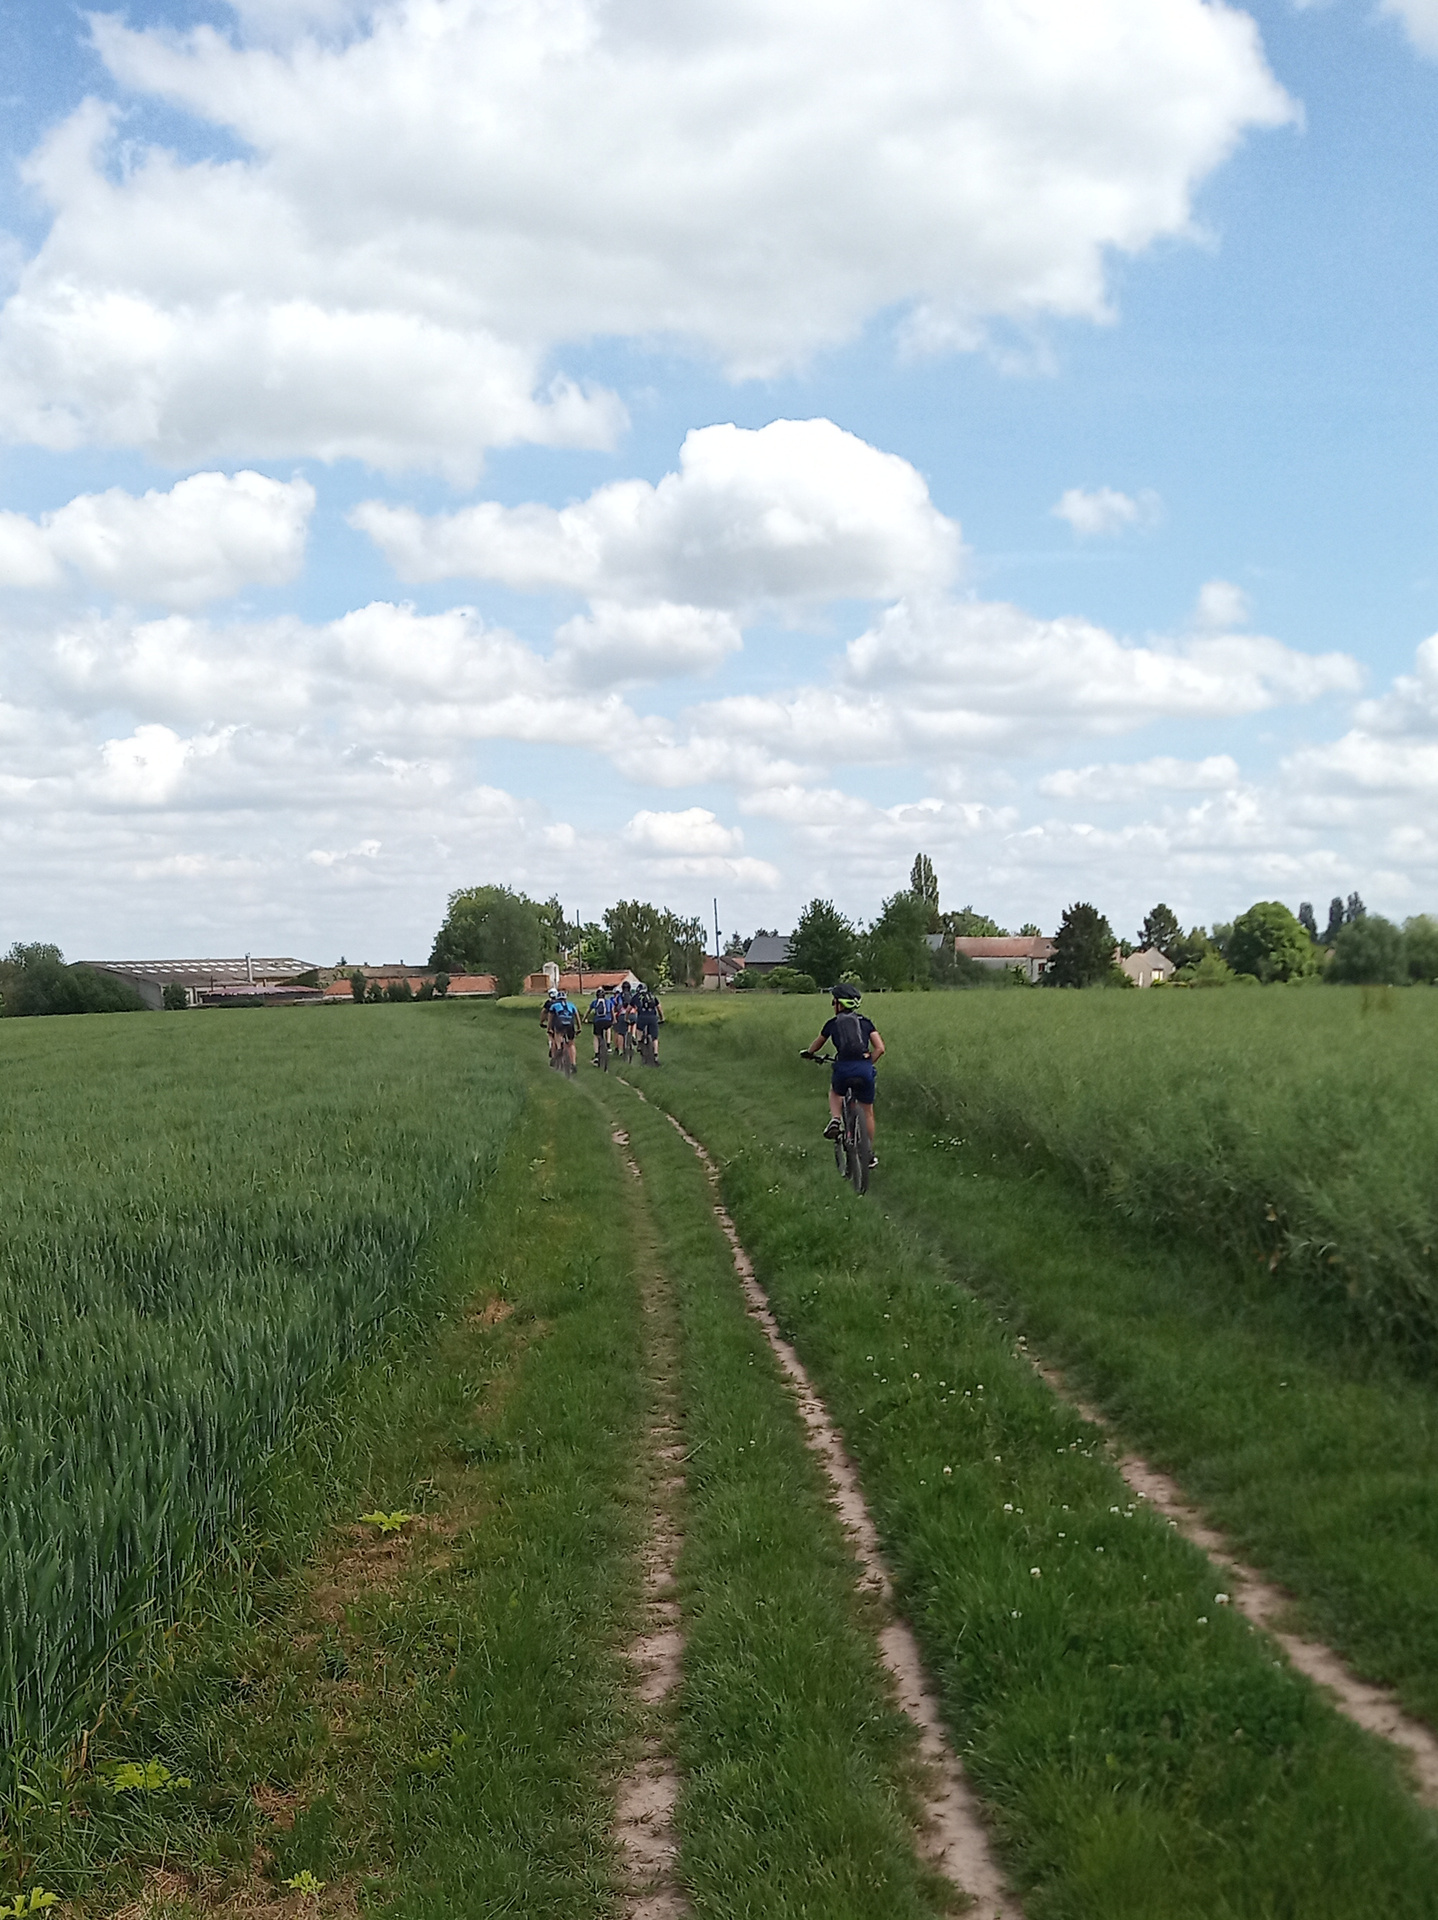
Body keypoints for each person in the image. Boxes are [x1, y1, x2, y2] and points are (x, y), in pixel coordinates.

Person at [800, 984, 884, 1168]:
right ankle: (868, 1152)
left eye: (834, 1002)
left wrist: (809, 1053)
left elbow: (817, 1045)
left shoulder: (832, 1024)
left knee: (835, 1092)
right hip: (864, 1069)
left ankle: (836, 1119)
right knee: (868, 1111)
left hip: (843, 1069)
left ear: (839, 1004)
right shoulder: (865, 1022)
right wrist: (868, 1063)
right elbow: (880, 1048)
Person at [541, 985, 579, 1072]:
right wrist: (579, 1028)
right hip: (570, 1025)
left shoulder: (553, 1005)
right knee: (571, 1044)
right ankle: (573, 1064)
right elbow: (577, 1017)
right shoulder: (571, 1005)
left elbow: (550, 1019)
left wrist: (548, 1028)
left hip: (558, 1025)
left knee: (557, 1039)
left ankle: (558, 1050)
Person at [633, 980, 664, 1063]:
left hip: (642, 1017)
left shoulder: (637, 997)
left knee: (639, 1029)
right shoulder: (652, 996)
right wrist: (662, 1018)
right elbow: (659, 1008)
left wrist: (626, 1017)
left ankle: (639, 1043)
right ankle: (656, 1055)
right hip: (653, 1018)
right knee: (655, 1038)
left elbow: (629, 1009)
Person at [587, 985, 615, 1065]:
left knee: (596, 1036)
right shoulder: (609, 1002)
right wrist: (614, 1020)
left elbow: (588, 1011)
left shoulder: (594, 1002)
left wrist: (584, 1019)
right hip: (607, 1021)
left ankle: (596, 1054)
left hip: (598, 1022)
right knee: (608, 1028)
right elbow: (612, 1012)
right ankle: (608, 1045)